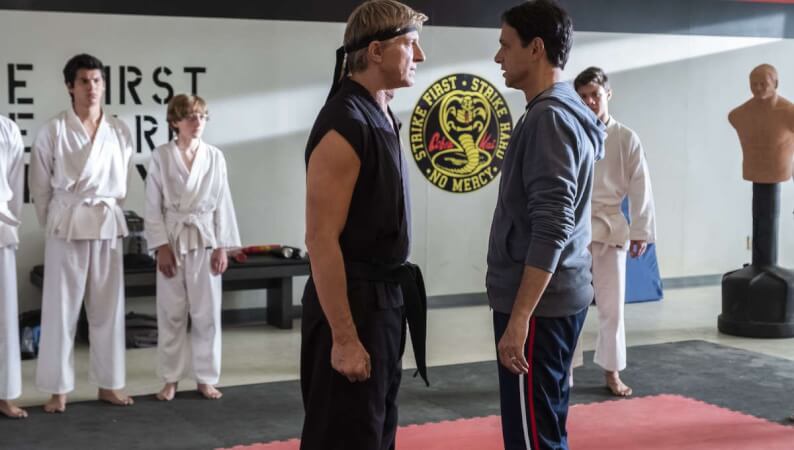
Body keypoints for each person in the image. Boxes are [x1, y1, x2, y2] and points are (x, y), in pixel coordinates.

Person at [299, 1, 428, 449]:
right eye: (410, 44)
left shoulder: (382, 113)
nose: (420, 55)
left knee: (375, 433)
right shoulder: (345, 124)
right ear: (375, 51)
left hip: (384, 303)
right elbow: (320, 239)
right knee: (344, 436)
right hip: (352, 303)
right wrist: (344, 338)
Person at [486, 1, 605, 449]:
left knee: (532, 438)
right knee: (545, 429)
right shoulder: (561, 108)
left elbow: (552, 224)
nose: (498, 56)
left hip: (539, 306)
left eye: (506, 45)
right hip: (555, 298)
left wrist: (520, 318)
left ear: (536, 48)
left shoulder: (550, 117)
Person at [30, 53, 134, 413]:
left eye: (97, 81)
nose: (92, 88)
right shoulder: (53, 130)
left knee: (108, 308)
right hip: (67, 222)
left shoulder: (119, 130)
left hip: (105, 219)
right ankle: (57, 390)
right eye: (84, 81)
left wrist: (106, 208)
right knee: (60, 309)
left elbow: (122, 184)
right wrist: (55, 221)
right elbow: (39, 187)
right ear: (69, 87)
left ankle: (109, 384)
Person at [144, 94, 241, 401]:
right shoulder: (161, 156)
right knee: (171, 313)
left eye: (201, 116)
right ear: (175, 122)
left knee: (206, 313)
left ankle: (206, 377)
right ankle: (170, 378)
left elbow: (223, 203)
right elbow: (152, 206)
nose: (197, 122)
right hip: (173, 239)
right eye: (190, 117)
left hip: (205, 238)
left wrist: (222, 246)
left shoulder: (214, 157)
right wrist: (160, 245)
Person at [572, 66, 656, 397]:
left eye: (595, 94)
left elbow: (641, 188)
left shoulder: (626, 138)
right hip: (575, 228)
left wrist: (641, 231)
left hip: (610, 226)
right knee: (570, 304)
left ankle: (612, 370)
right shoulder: (571, 133)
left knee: (612, 307)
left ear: (608, 93)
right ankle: (565, 371)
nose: (590, 101)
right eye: (583, 96)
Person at [0, 114, 26, 419]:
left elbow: (16, 181)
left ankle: (4, 394)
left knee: (4, 315)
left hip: (0, 225)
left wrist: (12, 222)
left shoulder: (6, 128)